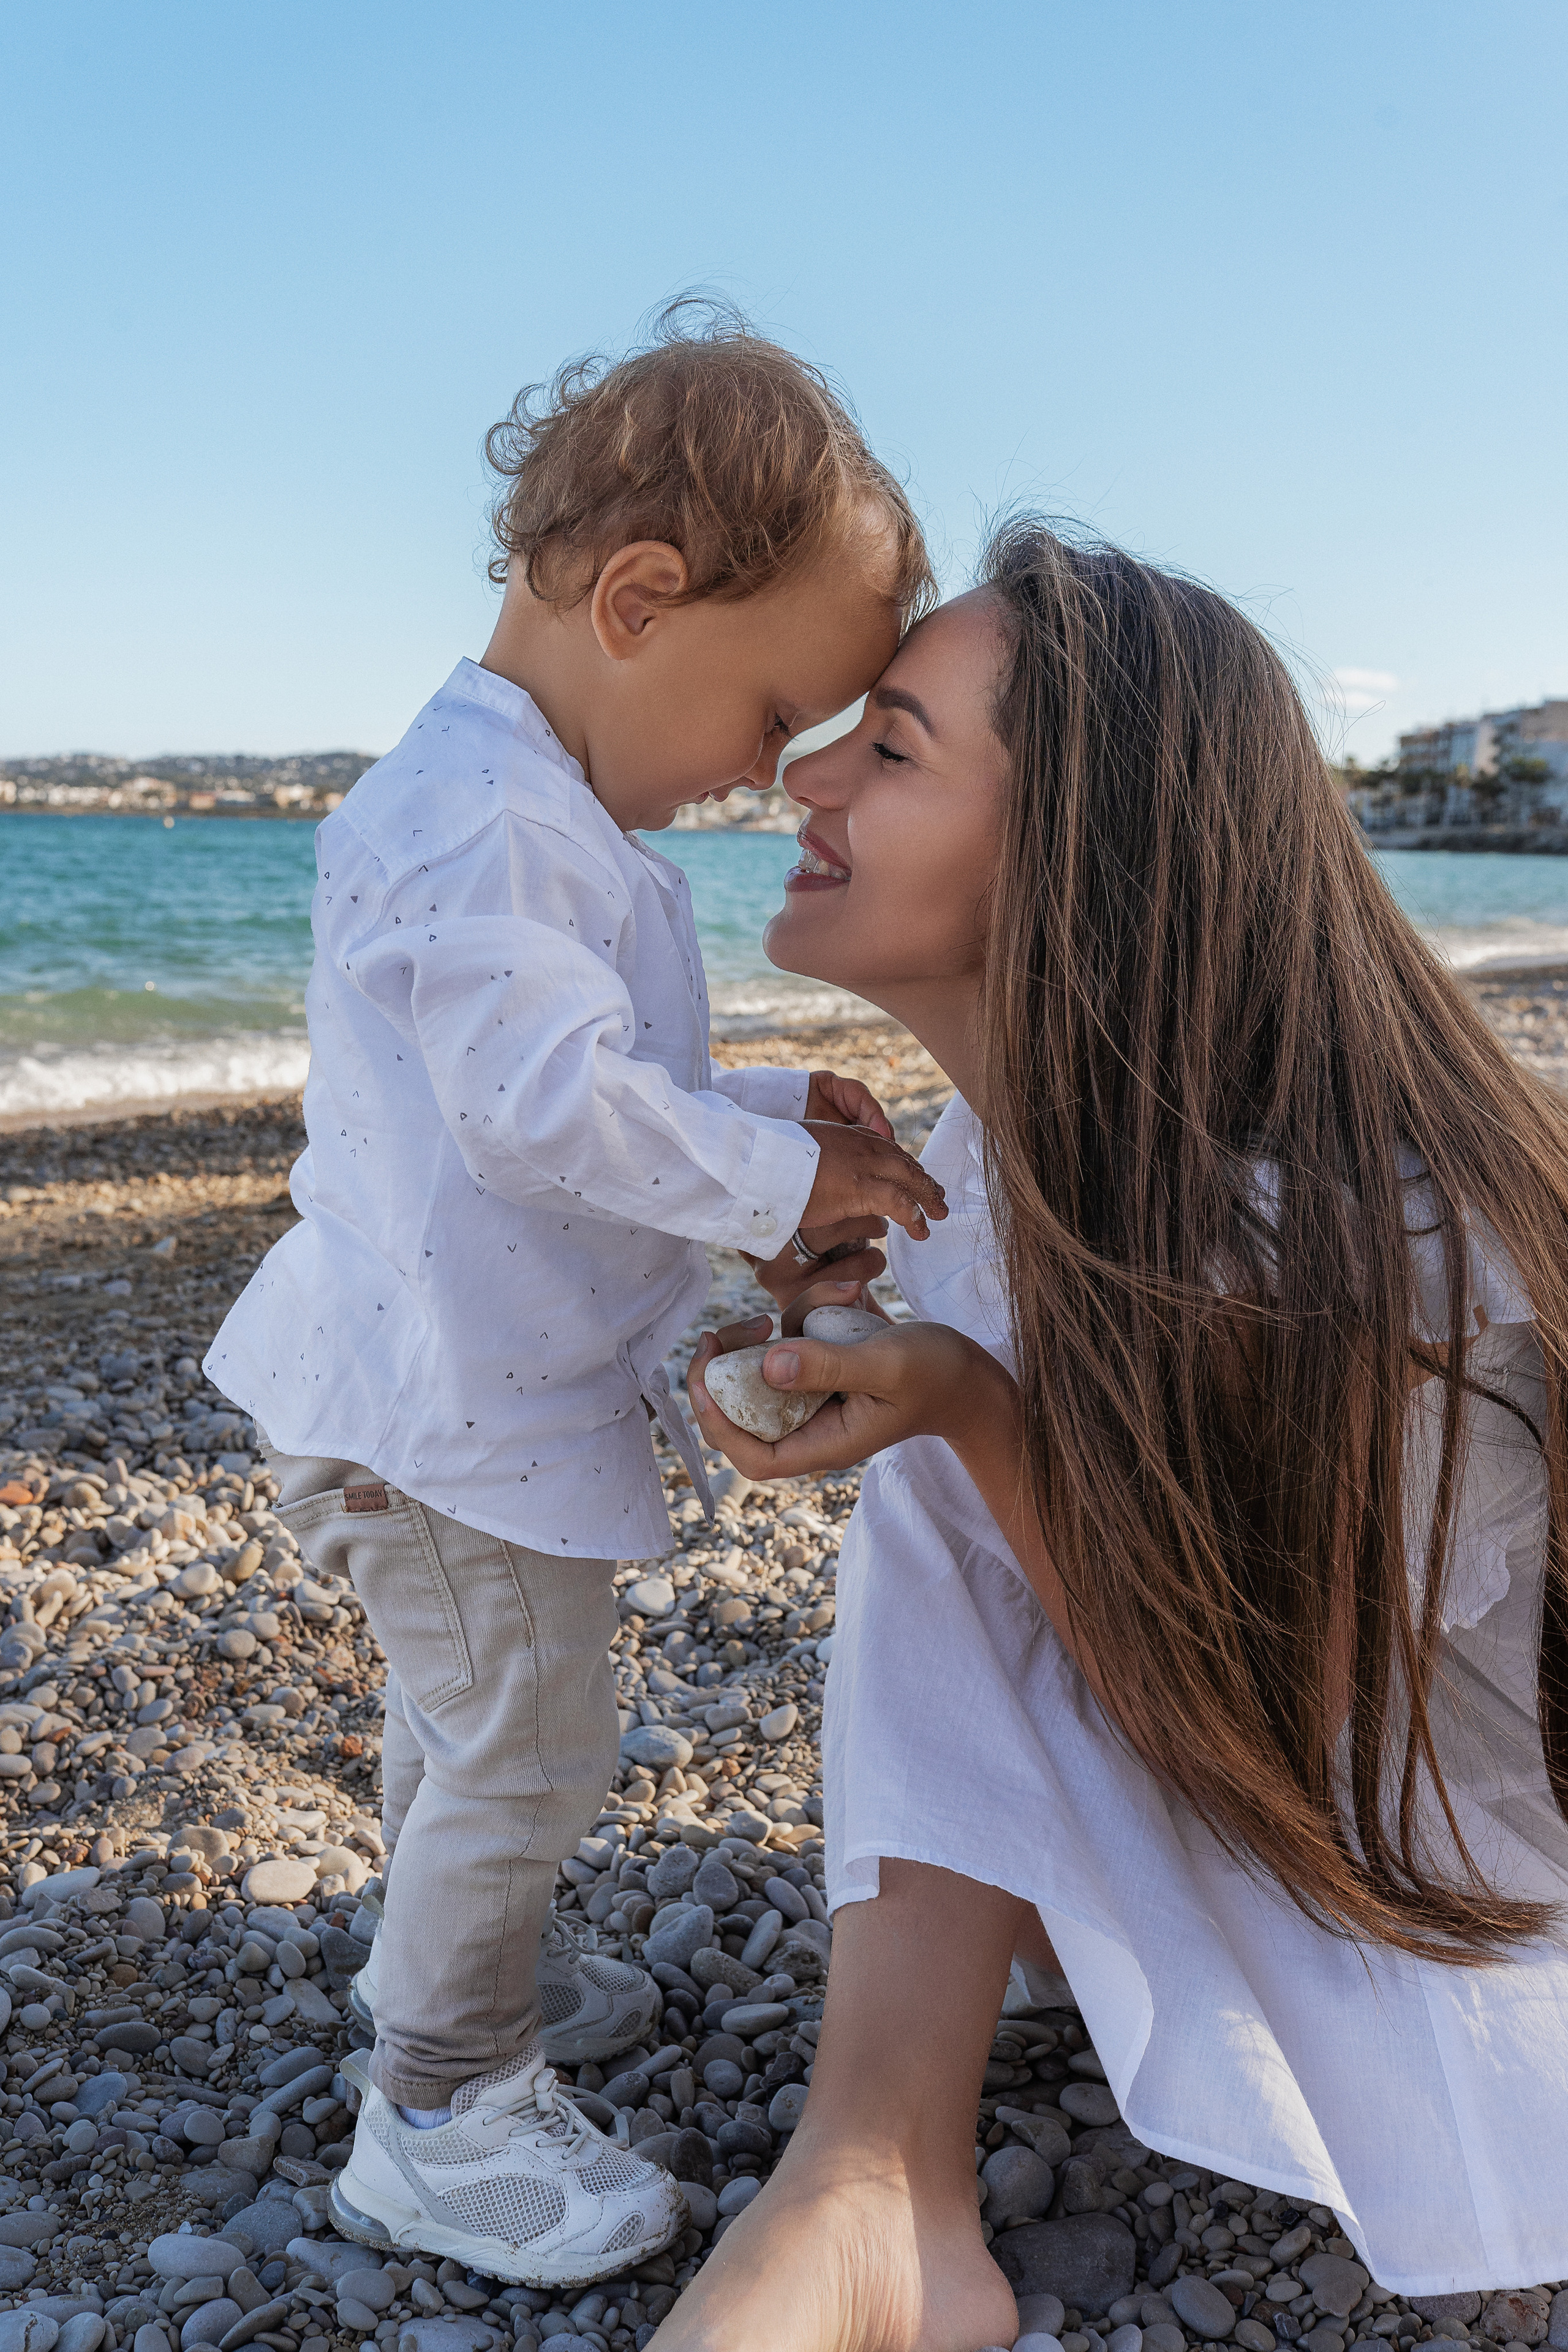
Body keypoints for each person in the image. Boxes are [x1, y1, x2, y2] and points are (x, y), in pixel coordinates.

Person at [664, 522, 1568, 2351]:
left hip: (1430, 1896)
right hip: (1252, 1802)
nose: (802, 770)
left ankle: (878, 2182)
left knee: (944, 1445)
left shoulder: (1364, 1236)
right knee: (933, 1416)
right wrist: (833, 1344)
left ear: (1080, 857)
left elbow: (1282, 1755)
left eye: (892, 746)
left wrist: (963, 1410)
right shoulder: (1028, 1159)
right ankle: (869, 2182)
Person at [205, 303, 948, 2288]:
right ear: (639, 597)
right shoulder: (476, 821)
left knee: (474, 1726)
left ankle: (468, 1948)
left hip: (450, 1389)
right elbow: (547, 1107)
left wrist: (791, 1109)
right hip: (437, 1414)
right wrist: (779, 1172)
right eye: (769, 709)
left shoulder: (530, 809)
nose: (758, 774)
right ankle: (438, 2105)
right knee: (528, 1739)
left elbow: (596, 1082)